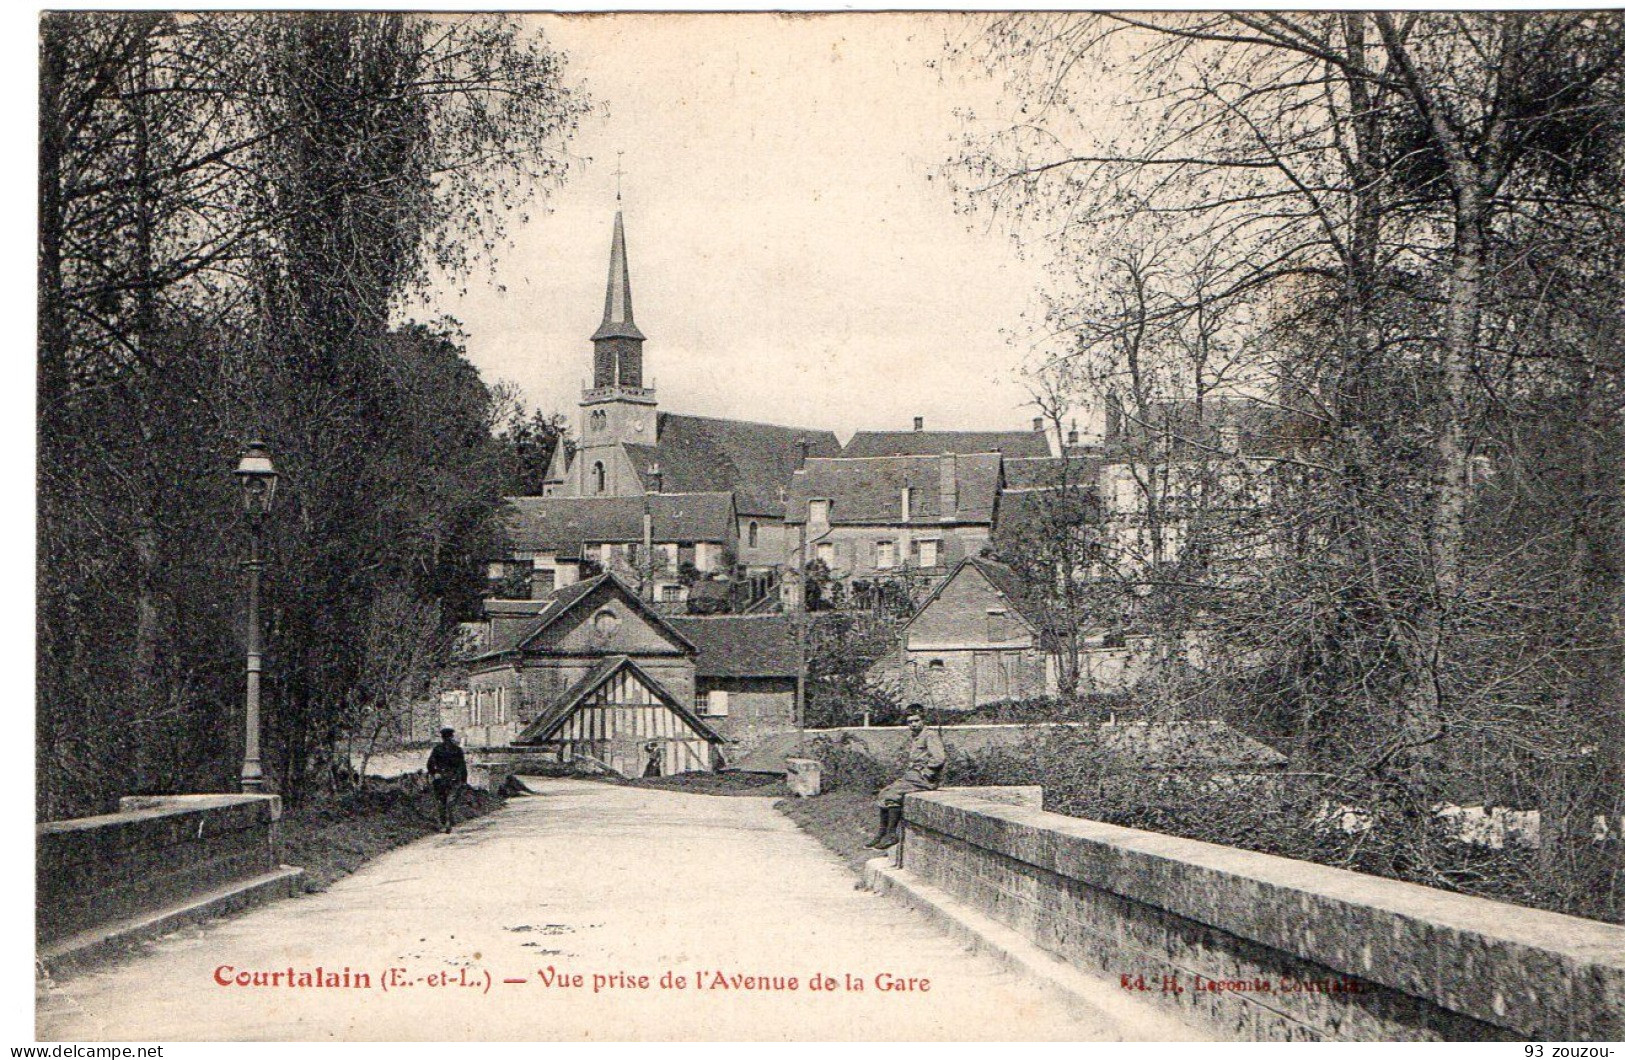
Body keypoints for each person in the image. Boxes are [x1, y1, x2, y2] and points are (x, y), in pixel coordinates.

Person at [867, 708, 946, 850]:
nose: (913, 724)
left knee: (892, 795)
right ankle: (882, 833)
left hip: (924, 779)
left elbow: (939, 758)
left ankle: (891, 834)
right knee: (883, 793)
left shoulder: (929, 735)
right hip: (913, 776)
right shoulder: (916, 736)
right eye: (910, 722)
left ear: (923, 720)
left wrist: (926, 772)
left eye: (916, 720)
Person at [426, 727, 468, 833]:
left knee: (442, 801)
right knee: (449, 800)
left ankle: (444, 822)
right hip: (452, 778)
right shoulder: (457, 750)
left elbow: (430, 764)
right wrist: (463, 780)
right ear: (451, 736)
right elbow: (462, 766)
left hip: (441, 778)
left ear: (442, 737)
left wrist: (434, 773)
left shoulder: (437, 749)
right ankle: (448, 821)